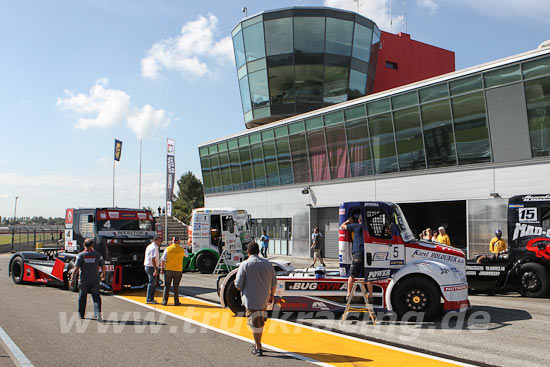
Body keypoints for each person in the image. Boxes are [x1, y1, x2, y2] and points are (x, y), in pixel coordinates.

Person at [235, 242, 277, 357]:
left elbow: (238, 285)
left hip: (250, 299)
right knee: (259, 322)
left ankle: (258, 347)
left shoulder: (245, 265)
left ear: (248, 252)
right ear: (258, 251)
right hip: (264, 299)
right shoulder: (268, 264)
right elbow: (274, 282)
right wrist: (271, 295)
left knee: (255, 324)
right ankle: (257, 343)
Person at [340, 215, 374, 304]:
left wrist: (348, 221)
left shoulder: (356, 226)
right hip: (368, 253)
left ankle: (348, 294)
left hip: (358, 253)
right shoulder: (369, 228)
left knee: (352, 275)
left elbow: (342, 226)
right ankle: (370, 296)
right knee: (368, 276)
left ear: (359, 220)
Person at [70, 238, 106, 320]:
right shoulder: (97, 255)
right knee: (96, 298)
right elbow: (103, 266)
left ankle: (81, 314)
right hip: (95, 280)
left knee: (82, 298)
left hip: (83, 280)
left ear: (84, 245)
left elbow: (76, 268)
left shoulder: (80, 255)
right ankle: (97, 315)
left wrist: (72, 279)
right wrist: (103, 274)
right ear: (92, 245)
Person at [160, 236, 186, 306]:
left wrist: (162, 269)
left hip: (168, 269)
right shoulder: (182, 249)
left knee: (167, 286)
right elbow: (187, 255)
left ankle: (164, 302)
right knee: (176, 286)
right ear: (179, 242)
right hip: (178, 270)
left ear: (172, 241)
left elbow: (162, 259)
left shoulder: (168, 249)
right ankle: (176, 302)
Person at [144, 236, 162, 304]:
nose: (160, 242)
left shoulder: (150, 246)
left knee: (152, 283)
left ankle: (150, 298)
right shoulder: (154, 248)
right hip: (151, 267)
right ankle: (149, 299)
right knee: (152, 283)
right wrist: (155, 269)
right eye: (159, 241)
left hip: (148, 266)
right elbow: (153, 259)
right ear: (156, 240)